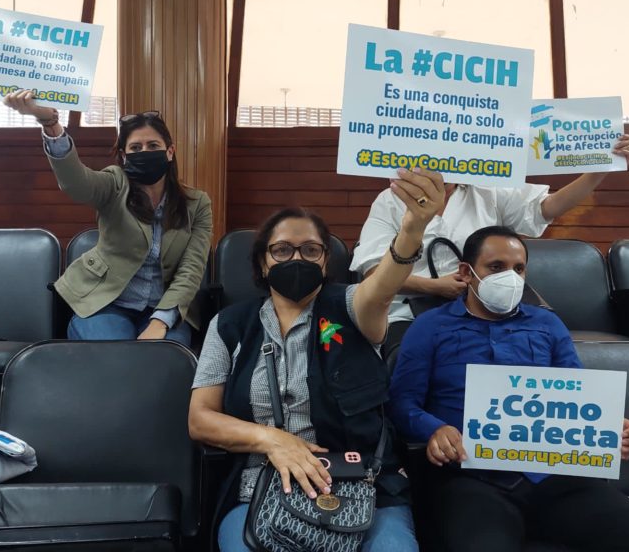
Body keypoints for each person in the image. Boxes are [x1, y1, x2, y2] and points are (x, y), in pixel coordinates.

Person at [188, 166, 445, 552]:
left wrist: (412, 229)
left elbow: (382, 287)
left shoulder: (353, 307)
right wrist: (272, 440)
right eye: (282, 250)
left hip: (363, 485)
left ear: (325, 262)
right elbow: (200, 419)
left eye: (311, 250)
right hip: (261, 487)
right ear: (262, 263)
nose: (297, 258)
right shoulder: (229, 324)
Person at [387, 226, 629, 552]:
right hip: (470, 478)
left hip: (554, 476)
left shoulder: (547, 325)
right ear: (466, 272)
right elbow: (402, 403)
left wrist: (610, 430)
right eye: (496, 267)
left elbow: (576, 398)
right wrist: (435, 430)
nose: (510, 277)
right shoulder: (430, 327)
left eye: (518, 269)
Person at [350, 135, 629, 340]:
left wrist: (599, 170)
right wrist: (434, 287)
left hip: (488, 311)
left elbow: (547, 207)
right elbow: (374, 272)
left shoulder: (487, 189)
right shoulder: (390, 201)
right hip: (410, 317)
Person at [3, 90, 212, 347]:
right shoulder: (114, 183)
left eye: (153, 146)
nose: (144, 151)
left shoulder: (197, 203)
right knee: (112, 357)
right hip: (105, 302)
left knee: (163, 361)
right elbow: (76, 183)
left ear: (170, 152)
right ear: (124, 156)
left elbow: (191, 269)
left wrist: (161, 321)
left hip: (165, 307)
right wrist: (50, 123)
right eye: (135, 148)